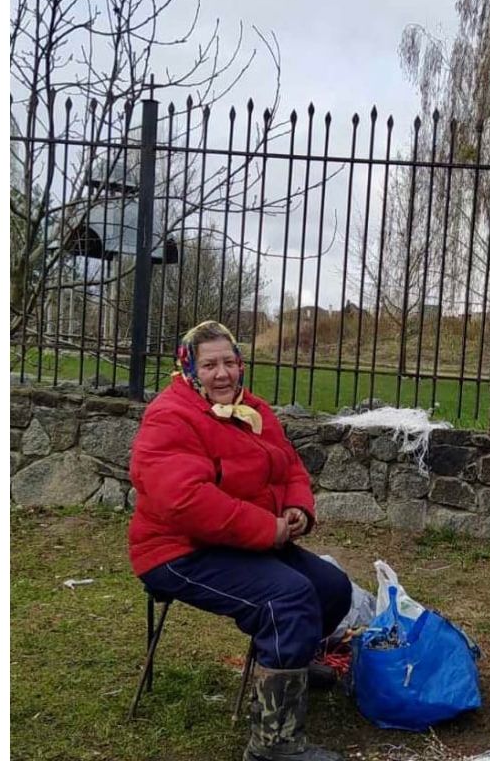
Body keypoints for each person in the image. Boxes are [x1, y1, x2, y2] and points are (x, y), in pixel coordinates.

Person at [128, 320, 350, 761]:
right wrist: (267, 528)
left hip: (241, 539)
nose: (223, 373)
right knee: (287, 599)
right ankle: (274, 745)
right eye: (209, 365)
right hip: (177, 549)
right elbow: (185, 501)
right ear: (189, 368)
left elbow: (288, 469)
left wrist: (297, 509)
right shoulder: (171, 415)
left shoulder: (255, 411)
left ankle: (290, 662)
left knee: (332, 588)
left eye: (230, 362)